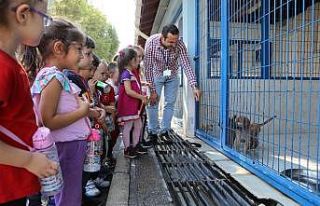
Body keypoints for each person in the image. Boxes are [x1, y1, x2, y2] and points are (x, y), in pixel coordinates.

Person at [26, 19, 91, 206]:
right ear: (59, 48)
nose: (81, 55)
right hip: (67, 146)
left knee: (67, 195)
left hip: (68, 145)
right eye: (78, 49)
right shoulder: (54, 77)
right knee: (69, 198)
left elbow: (63, 107)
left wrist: (88, 112)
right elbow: (49, 119)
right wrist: (83, 112)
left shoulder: (54, 76)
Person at [0, 1, 58, 205]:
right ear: (23, 14)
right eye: (44, 18)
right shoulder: (2, 68)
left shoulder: (10, 65)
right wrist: (29, 160)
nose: (45, 26)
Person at [144, 24, 201, 141]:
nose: (174, 44)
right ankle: (153, 131)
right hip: (156, 74)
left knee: (170, 103)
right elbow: (148, 68)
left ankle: (165, 130)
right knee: (153, 102)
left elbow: (186, 64)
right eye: (170, 42)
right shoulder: (151, 43)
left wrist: (194, 86)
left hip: (173, 74)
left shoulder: (179, 44)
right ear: (162, 38)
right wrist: (152, 90)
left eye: (175, 41)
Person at [117, 47, 148, 158]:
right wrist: (141, 97)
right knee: (129, 126)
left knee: (138, 125)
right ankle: (127, 149)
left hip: (133, 106)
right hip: (128, 106)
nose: (139, 61)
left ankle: (134, 146)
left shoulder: (130, 73)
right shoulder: (126, 74)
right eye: (136, 59)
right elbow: (128, 91)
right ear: (131, 61)